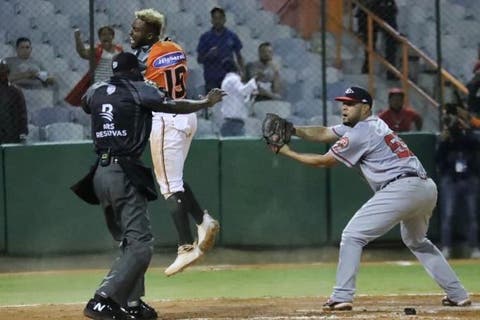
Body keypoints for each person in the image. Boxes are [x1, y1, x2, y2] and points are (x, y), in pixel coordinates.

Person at [271, 86, 472, 311]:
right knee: (417, 241)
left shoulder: (361, 132)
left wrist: (286, 152)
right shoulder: (374, 124)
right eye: (343, 103)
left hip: (401, 188)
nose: (344, 107)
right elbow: (325, 132)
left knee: (352, 235)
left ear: (365, 107)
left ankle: (341, 295)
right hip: (424, 187)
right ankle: (457, 293)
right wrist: (294, 129)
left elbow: (323, 161)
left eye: (351, 103)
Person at [71, 52, 225, 320]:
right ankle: (102, 299)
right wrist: (205, 102)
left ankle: (132, 303)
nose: (143, 74)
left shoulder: (96, 91)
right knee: (141, 245)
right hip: (123, 172)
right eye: (139, 70)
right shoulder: (138, 89)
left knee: (130, 242)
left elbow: (84, 101)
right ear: (131, 72)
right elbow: (175, 106)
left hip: (100, 174)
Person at [130, 8, 221, 277]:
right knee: (175, 180)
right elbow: (161, 57)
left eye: (136, 29)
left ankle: (185, 248)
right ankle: (203, 221)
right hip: (186, 115)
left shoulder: (141, 58)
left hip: (165, 118)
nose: (131, 32)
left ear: (149, 33)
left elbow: (135, 76)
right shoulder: (175, 46)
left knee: (169, 186)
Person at [436, 105, 480, 259]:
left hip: (469, 177)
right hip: (450, 179)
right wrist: (447, 137)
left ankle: (474, 247)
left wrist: (465, 126)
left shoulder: (468, 134)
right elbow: (439, 158)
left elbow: (474, 144)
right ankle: (446, 247)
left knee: (473, 215)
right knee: (447, 215)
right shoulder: (446, 136)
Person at [65, 26, 123, 106]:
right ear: (99, 37)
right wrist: (78, 38)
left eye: (108, 34)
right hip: (99, 84)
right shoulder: (96, 49)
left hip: (114, 84)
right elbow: (83, 53)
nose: (106, 37)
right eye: (103, 35)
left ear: (112, 36)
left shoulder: (119, 50)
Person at [197, 7, 244, 94]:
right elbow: (199, 59)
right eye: (215, 18)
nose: (217, 21)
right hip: (212, 78)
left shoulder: (232, 36)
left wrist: (241, 71)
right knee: (213, 105)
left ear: (224, 19)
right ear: (211, 20)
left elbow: (239, 56)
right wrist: (209, 55)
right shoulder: (205, 37)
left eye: (220, 18)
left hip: (229, 77)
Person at [356, 0, 398, 79]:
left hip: (383, 9)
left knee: (390, 41)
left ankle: (390, 71)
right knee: (371, 41)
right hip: (373, 9)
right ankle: (368, 67)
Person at [219, 59, 258, 136]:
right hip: (234, 121)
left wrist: (251, 93)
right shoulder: (234, 79)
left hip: (230, 119)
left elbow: (240, 97)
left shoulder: (227, 80)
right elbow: (243, 91)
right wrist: (254, 81)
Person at [0, 59, 28, 144]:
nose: (3, 74)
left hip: (11, 134)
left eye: (4, 71)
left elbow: (22, 113)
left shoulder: (15, 91)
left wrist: (23, 133)